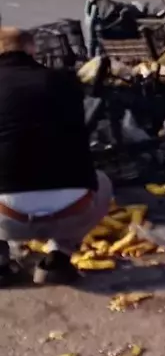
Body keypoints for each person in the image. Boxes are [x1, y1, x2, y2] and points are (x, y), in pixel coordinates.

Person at [0, 27, 112, 285]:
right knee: (103, 182)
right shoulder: (64, 81)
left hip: (7, 215)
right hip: (73, 210)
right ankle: (58, 259)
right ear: (32, 50)